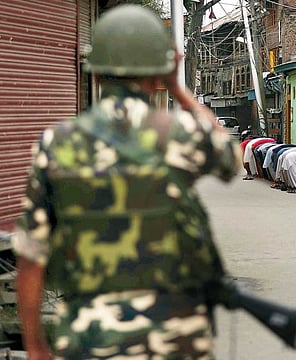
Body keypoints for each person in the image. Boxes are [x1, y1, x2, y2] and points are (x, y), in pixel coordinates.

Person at [12, 5, 242, 360]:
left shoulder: (57, 144)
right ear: (157, 73)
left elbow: (30, 258)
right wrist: (179, 90)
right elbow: (230, 161)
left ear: (98, 74)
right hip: (176, 338)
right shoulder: (179, 135)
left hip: (88, 336)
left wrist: (35, 346)